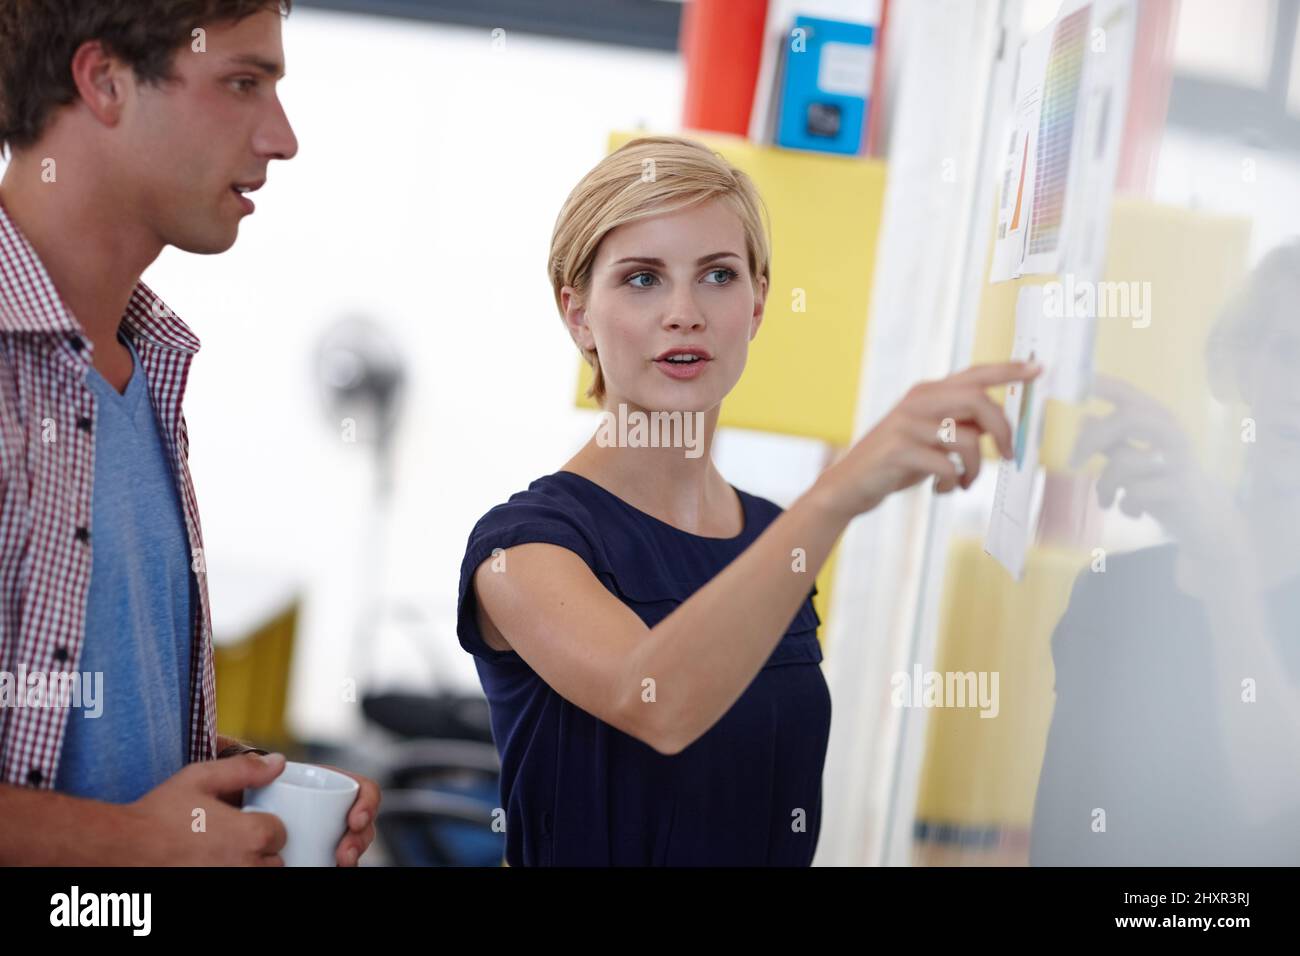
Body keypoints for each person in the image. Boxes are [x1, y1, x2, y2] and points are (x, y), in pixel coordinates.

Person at [456, 135, 1038, 865]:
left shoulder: (768, 532)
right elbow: (656, 701)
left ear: (758, 301)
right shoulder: (523, 550)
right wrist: (838, 492)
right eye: (641, 279)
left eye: (718, 276)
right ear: (577, 314)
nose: (684, 312)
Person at [0, 0, 377, 865]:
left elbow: (75, 745)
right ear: (104, 81)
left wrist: (242, 793)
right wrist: (131, 843)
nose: (282, 139)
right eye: (243, 83)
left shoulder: (141, 360)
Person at [1030, 241, 1300, 864]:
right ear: (1243, 367)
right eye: (1288, 351)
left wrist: (1229, 572)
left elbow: (1283, 804)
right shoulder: (1114, 594)